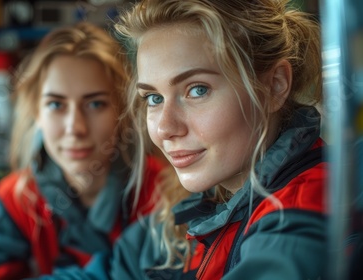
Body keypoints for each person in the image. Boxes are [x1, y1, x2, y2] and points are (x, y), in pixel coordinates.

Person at [102, 0, 328, 279]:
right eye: (154, 98)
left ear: (274, 86)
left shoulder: (301, 215)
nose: (165, 128)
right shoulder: (215, 200)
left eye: (197, 90)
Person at [0, 21, 164, 280]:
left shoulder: (163, 191)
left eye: (95, 104)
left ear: (122, 111)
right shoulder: (18, 199)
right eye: (56, 105)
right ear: (36, 113)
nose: (75, 128)